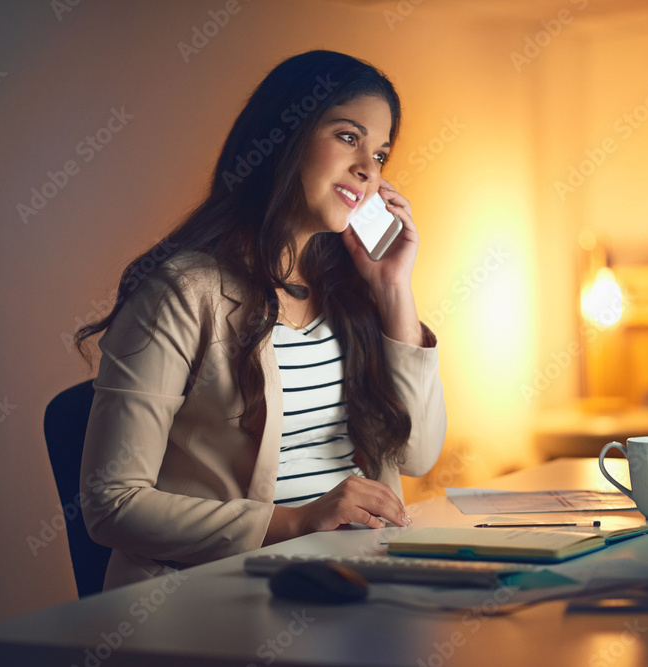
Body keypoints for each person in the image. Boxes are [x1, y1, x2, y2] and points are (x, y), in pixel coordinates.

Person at [75, 50, 447, 590]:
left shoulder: (352, 292)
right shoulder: (182, 292)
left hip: (350, 585)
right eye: (349, 137)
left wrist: (393, 289)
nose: (369, 169)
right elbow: (111, 504)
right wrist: (294, 522)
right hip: (220, 598)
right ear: (286, 137)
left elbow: (418, 453)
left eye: (381, 153)